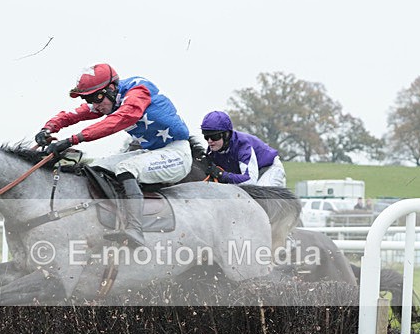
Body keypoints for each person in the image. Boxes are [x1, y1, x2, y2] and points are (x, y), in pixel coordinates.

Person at [35, 63, 192, 249]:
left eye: (96, 98)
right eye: (89, 99)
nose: (95, 105)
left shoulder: (138, 91)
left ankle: (135, 229)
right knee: (95, 168)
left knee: (126, 168)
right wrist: (49, 127)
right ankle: (109, 218)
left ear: (111, 88)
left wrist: (72, 140)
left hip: (176, 153)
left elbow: (117, 120)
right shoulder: (110, 99)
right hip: (151, 152)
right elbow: (73, 115)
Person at [200, 111, 286, 188]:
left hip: (268, 169)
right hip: (248, 175)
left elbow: (250, 181)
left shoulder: (242, 145)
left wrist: (223, 175)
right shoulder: (212, 151)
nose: (209, 141)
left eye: (214, 136)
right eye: (206, 137)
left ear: (226, 134)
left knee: (256, 197)